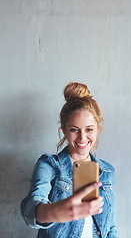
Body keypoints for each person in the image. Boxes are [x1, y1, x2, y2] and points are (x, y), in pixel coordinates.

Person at [20, 82, 117, 238]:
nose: (82, 137)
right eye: (74, 129)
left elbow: (110, 227)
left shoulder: (107, 171)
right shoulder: (49, 165)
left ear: (98, 128)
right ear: (64, 128)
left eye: (89, 129)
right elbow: (30, 207)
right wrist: (53, 212)